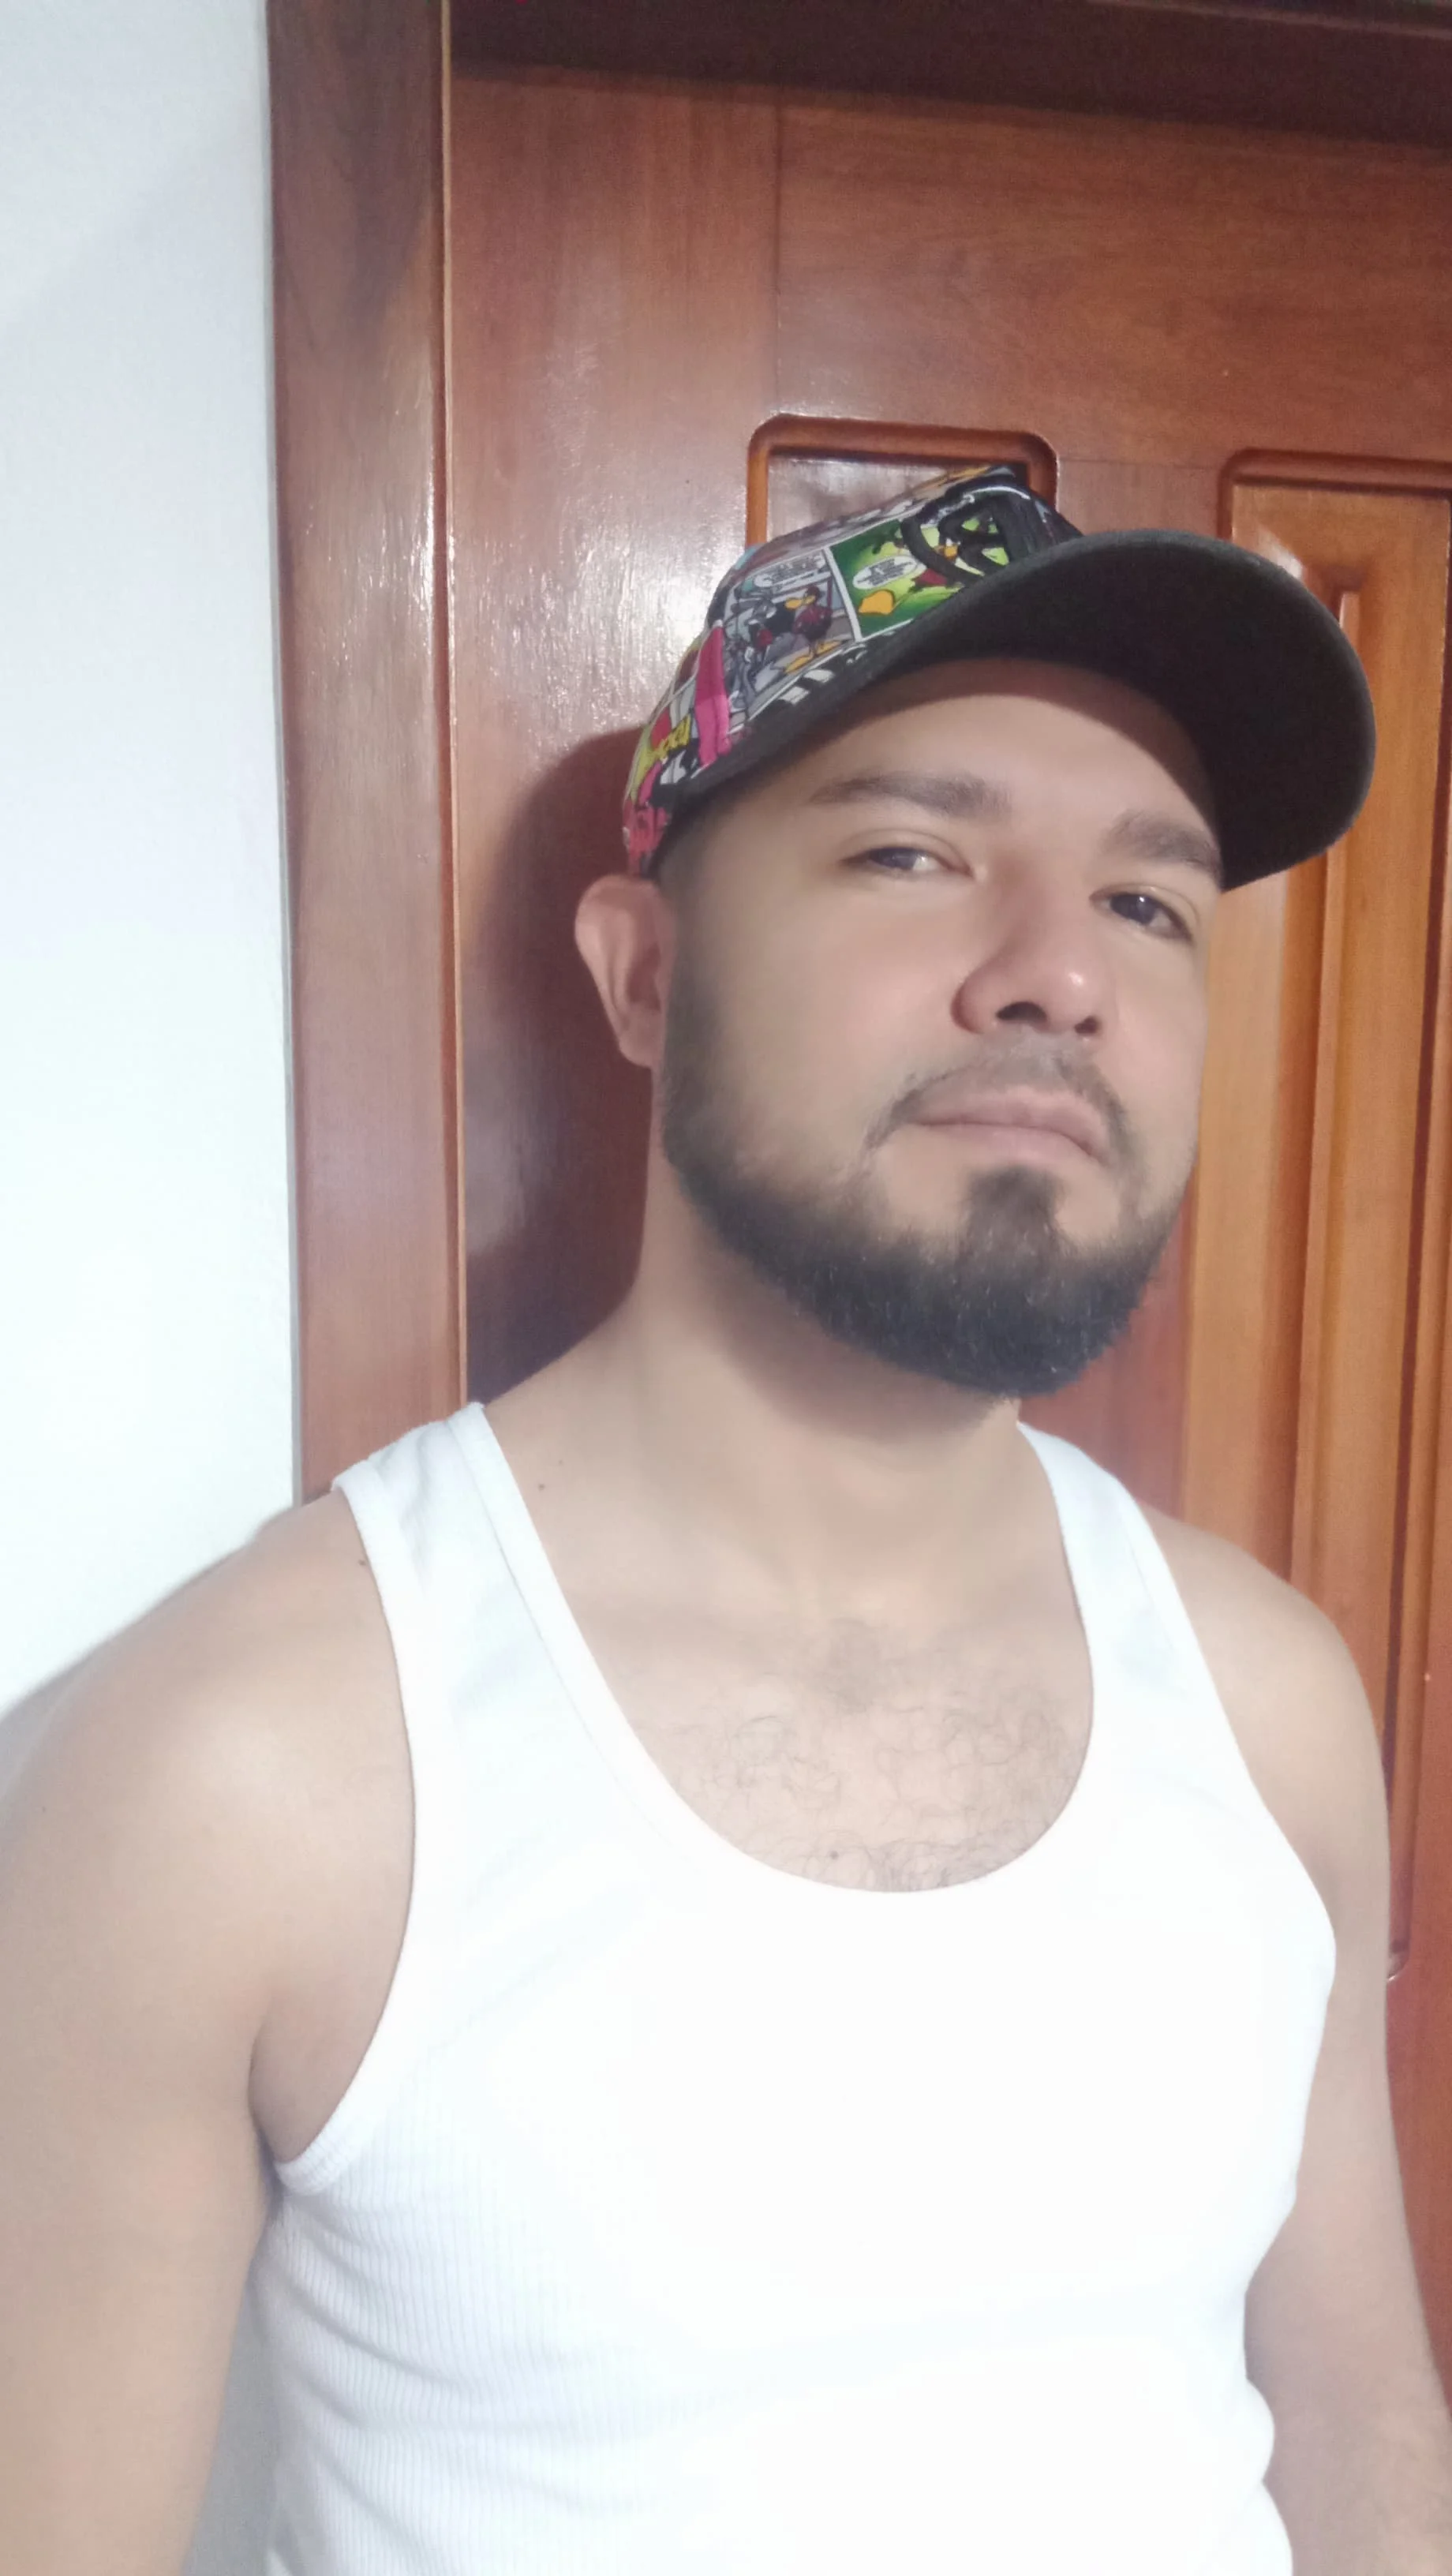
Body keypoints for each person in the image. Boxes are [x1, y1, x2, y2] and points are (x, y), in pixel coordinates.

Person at [3, 466, 1450, 2576]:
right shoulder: (239, 1769)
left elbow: (1359, 2414)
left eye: (1150, 903)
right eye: (911, 853)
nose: (1058, 976)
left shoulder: (1271, 1701)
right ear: (644, 976)